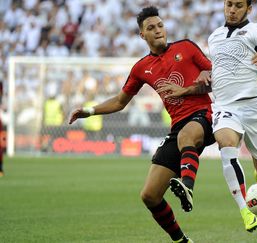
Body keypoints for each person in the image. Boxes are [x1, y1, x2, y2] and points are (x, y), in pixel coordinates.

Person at [69, 6, 214, 243]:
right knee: (150, 195)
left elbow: (213, 77)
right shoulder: (141, 68)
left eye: (160, 25)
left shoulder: (186, 48)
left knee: (187, 137)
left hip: (204, 115)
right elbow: (119, 101)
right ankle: (181, 240)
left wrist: (190, 87)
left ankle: (187, 185)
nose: (158, 30)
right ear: (142, 35)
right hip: (178, 127)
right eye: (151, 28)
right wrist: (89, 111)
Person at [205, 0, 257, 232]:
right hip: (225, 107)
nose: (232, 9)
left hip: (255, 107)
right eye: (229, 4)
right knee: (226, 143)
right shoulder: (214, 37)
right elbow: (221, 69)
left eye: (238, 5)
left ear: (248, 9)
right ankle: (245, 212)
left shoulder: (256, 30)